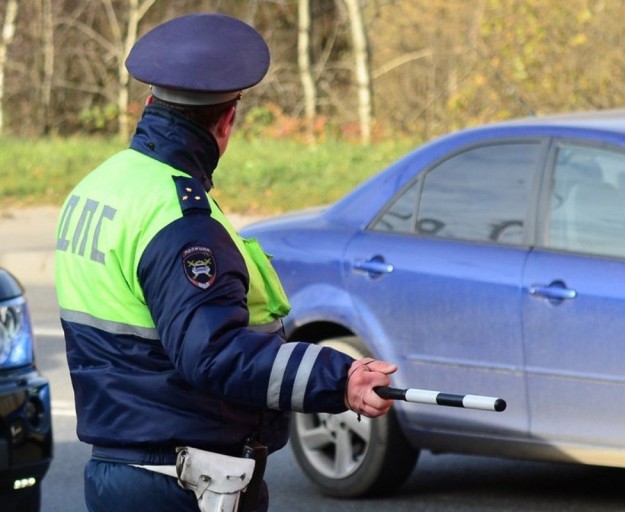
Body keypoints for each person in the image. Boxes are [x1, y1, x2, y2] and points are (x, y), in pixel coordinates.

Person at [54, 12, 398, 512]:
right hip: (180, 483)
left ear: (150, 102)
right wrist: (338, 378)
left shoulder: (99, 186)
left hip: (115, 471)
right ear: (228, 119)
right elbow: (213, 353)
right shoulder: (179, 216)